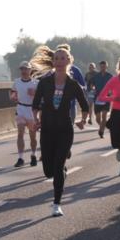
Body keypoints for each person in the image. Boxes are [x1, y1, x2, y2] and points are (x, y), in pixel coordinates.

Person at [32, 47, 90, 216]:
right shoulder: (45, 82)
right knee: (48, 170)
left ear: (68, 61)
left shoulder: (73, 85)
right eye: (56, 58)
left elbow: (84, 105)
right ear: (53, 61)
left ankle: (57, 203)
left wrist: (83, 120)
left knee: (57, 167)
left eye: (62, 58)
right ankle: (61, 172)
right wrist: (36, 119)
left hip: (65, 129)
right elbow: (36, 104)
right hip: (47, 129)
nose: (58, 61)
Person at [11, 61, 38, 167]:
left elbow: (42, 97)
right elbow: (12, 92)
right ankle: (21, 158)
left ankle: (33, 155)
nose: (24, 71)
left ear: (30, 70)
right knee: (20, 133)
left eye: (26, 69)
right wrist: (13, 97)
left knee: (32, 136)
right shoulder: (17, 82)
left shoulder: (36, 83)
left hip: (31, 110)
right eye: (22, 69)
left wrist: (35, 94)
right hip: (21, 108)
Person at [89, 60, 113, 139]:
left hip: (106, 98)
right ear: (100, 67)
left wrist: (111, 92)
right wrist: (92, 88)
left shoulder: (110, 76)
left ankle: (101, 131)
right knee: (98, 118)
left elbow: (114, 86)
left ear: (106, 67)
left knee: (104, 115)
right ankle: (105, 125)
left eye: (104, 66)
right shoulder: (96, 76)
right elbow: (91, 84)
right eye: (101, 66)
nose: (103, 68)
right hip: (98, 98)